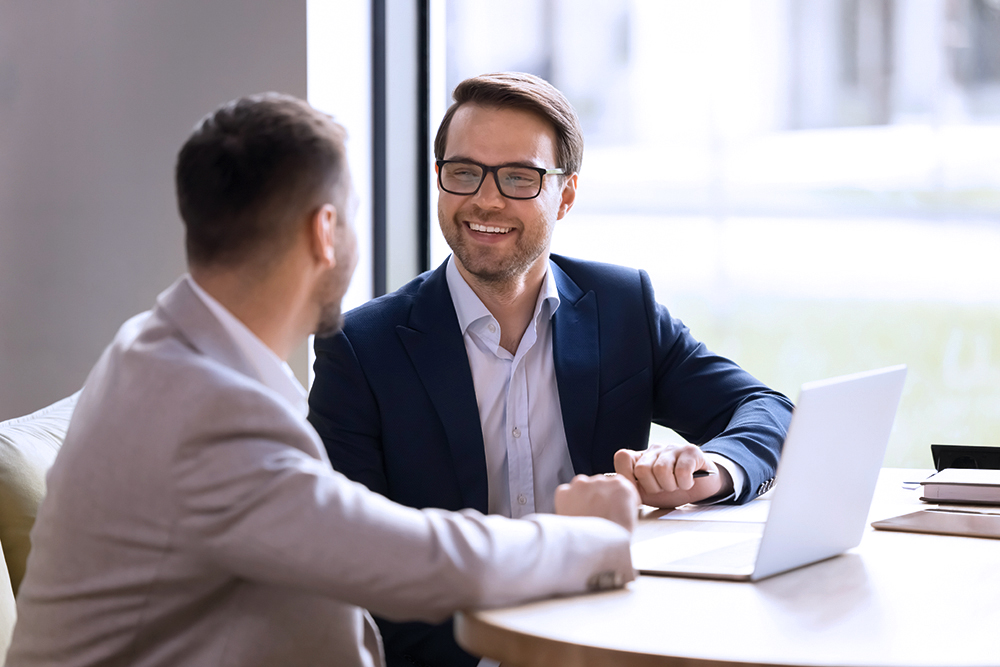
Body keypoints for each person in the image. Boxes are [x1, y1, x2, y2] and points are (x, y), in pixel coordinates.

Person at [5, 93, 640, 667]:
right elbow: (408, 560)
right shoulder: (204, 407)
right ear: (325, 232)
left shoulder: (164, 348)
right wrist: (589, 535)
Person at [308, 72, 796, 666]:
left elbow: (768, 410)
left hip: (607, 640)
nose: (486, 200)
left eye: (519, 177)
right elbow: (352, 557)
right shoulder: (361, 348)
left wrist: (712, 471)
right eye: (464, 172)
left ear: (564, 196)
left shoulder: (622, 307)